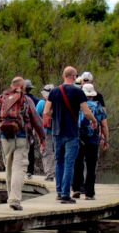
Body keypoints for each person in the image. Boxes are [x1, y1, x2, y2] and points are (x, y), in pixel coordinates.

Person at [0, 76, 46, 211]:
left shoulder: (1, 98)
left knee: (8, 168)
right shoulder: (26, 100)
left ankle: (11, 197)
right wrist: (42, 139)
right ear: (23, 87)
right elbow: (37, 121)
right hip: (21, 137)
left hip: (4, 137)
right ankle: (15, 199)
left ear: (11, 85)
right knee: (19, 168)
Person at [42, 66, 98, 204]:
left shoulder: (54, 92)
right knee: (69, 163)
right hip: (72, 133)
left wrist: (56, 115)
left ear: (63, 76)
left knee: (59, 162)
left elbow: (46, 111)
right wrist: (94, 120)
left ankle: (60, 192)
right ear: (74, 77)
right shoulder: (78, 92)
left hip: (57, 132)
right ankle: (66, 195)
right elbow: (86, 112)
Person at [73, 83, 110, 199]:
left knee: (77, 164)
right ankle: (89, 193)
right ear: (92, 95)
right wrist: (106, 140)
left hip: (78, 139)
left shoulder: (77, 106)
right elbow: (104, 125)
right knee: (91, 167)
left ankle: (76, 189)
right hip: (93, 140)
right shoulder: (98, 107)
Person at [35, 84, 55, 181]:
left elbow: (35, 117)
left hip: (45, 131)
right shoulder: (58, 103)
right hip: (58, 131)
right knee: (57, 153)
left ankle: (50, 174)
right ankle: (57, 174)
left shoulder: (41, 103)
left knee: (47, 152)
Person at [23, 79, 41, 179]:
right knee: (31, 150)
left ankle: (22, 170)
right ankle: (30, 171)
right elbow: (37, 116)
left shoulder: (19, 99)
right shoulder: (36, 100)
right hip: (31, 129)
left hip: (19, 129)